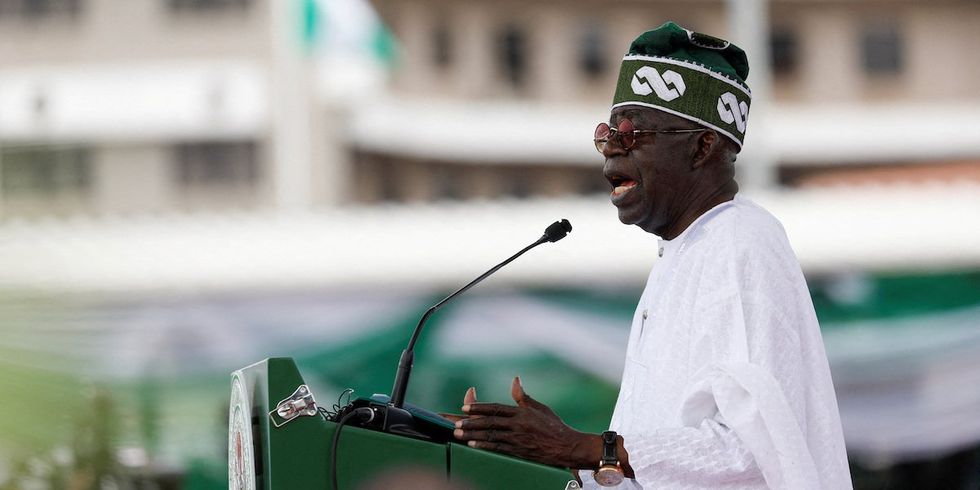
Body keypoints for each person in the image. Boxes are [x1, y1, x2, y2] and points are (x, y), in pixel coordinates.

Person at [448, 22, 852, 489]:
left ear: (703, 146)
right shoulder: (682, 252)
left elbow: (756, 450)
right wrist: (543, 447)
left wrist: (580, 446)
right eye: (606, 135)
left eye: (632, 133)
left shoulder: (741, 243)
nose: (610, 154)